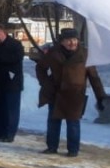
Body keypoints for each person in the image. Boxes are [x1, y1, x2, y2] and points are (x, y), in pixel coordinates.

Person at [35, 27, 105, 157]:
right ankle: (51, 147)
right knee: (53, 121)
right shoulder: (53, 52)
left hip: (75, 95)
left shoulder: (85, 54)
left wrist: (101, 97)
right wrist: (45, 83)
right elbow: (40, 67)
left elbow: (94, 77)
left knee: (73, 123)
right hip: (56, 93)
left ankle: (73, 150)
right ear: (62, 41)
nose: (72, 43)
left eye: (74, 39)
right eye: (68, 40)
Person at [0, 23, 24, 142]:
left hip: (11, 83)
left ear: (4, 33)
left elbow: (16, 58)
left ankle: (9, 133)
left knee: (10, 110)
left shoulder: (15, 44)